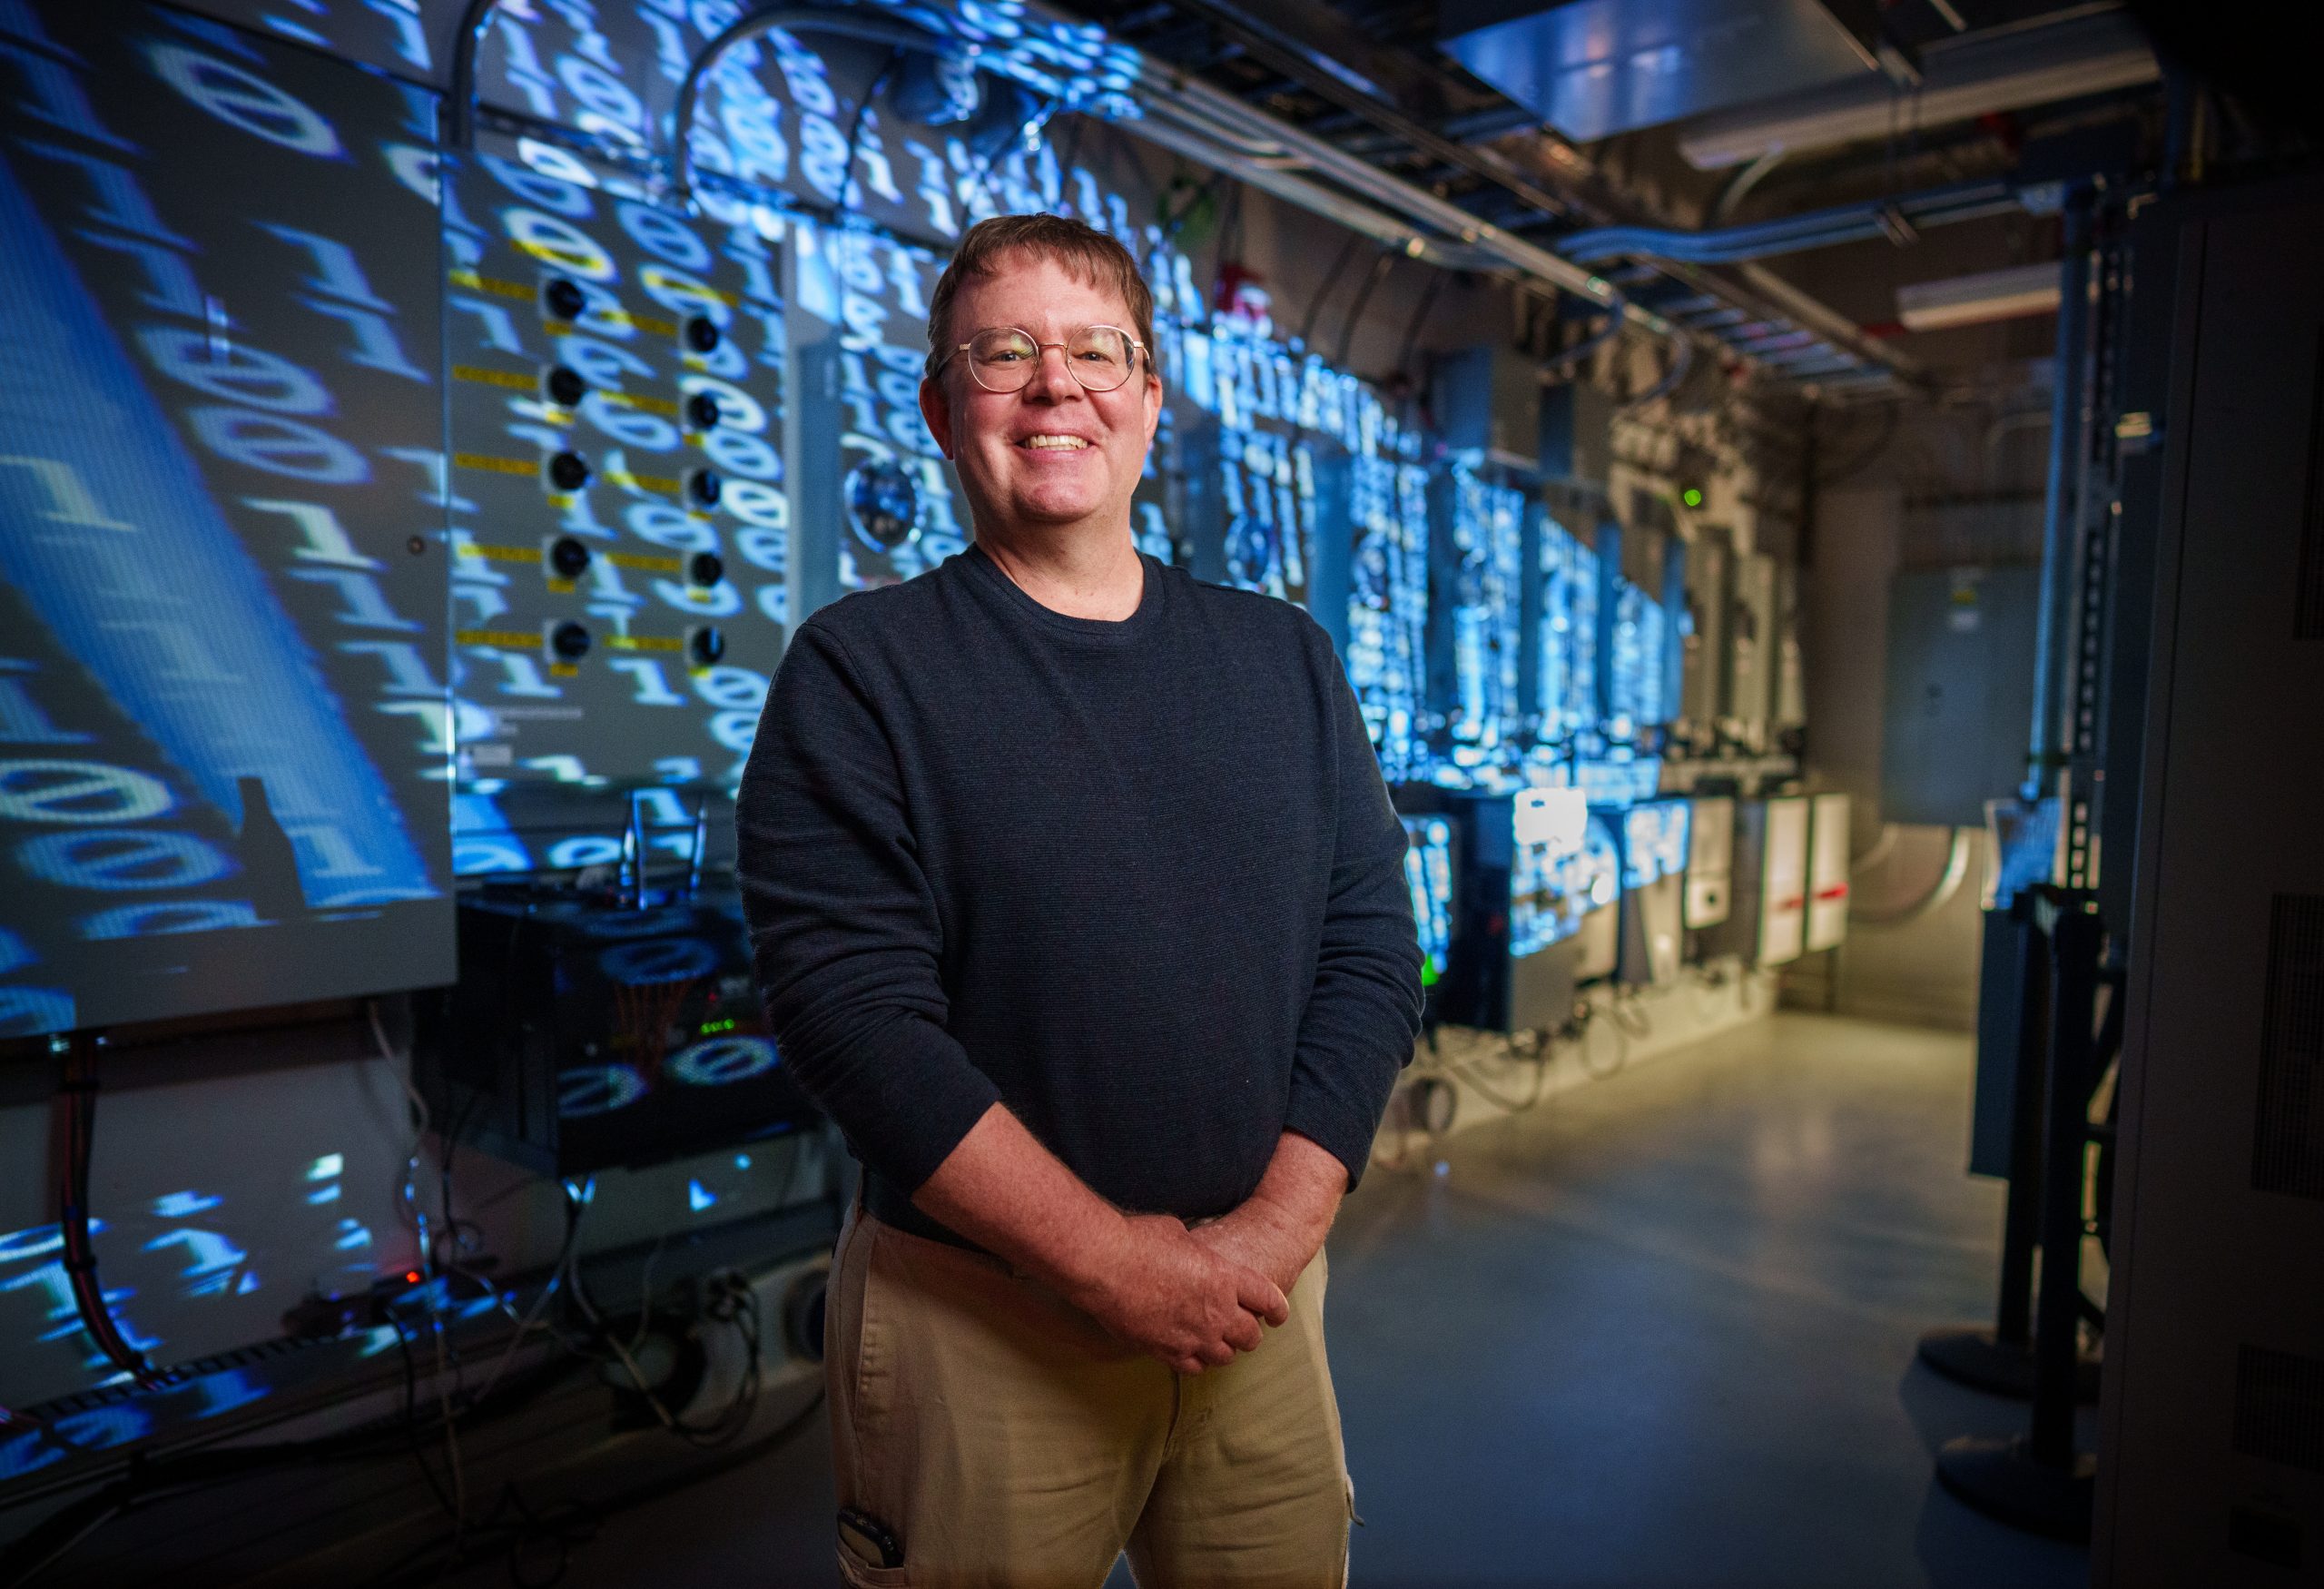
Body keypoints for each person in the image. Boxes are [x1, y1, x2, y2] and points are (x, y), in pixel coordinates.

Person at [736, 212, 1423, 1588]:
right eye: (1004, 354)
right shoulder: (859, 672)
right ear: (944, 411)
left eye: (1098, 351)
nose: (1056, 384)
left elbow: (1371, 954)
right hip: (982, 1328)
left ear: (1150, 400)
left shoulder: (1286, 661)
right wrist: (1112, 1265)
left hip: (1259, 1313)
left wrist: (1270, 1239)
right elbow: (856, 1025)